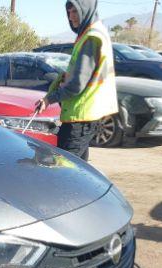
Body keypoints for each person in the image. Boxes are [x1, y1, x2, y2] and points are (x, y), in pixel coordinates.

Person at [35, 0, 118, 161]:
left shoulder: (91, 38)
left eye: (75, 12)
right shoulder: (94, 32)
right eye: (69, 12)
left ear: (85, 10)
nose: (71, 17)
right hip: (85, 116)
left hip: (80, 117)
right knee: (79, 169)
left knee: (64, 170)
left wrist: (49, 98)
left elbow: (77, 84)